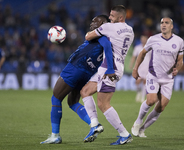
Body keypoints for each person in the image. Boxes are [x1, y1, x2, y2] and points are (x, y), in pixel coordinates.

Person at [40, 15, 115, 144]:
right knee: (72, 102)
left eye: (95, 21)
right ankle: (94, 124)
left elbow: (107, 46)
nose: (92, 23)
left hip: (75, 67)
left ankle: (55, 135)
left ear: (102, 23)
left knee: (56, 97)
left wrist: (111, 69)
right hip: (86, 72)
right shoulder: (100, 36)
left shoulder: (101, 35)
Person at [80, 5, 134, 145]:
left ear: (120, 17)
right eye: (109, 15)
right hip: (116, 65)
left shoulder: (110, 27)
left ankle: (124, 134)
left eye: (112, 16)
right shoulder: (130, 30)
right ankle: (94, 124)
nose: (109, 18)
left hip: (109, 69)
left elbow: (88, 36)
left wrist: (97, 31)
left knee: (103, 104)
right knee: (85, 91)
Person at [131, 17, 184, 138]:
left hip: (168, 79)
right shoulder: (153, 39)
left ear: (171, 26)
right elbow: (142, 53)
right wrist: (135, 69)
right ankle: (138, 122)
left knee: (161, 107)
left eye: (166, 23)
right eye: (162, 23)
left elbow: (180, 60)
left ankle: (142, 129)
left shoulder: (179, 41)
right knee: (151, 100)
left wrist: (178, 67)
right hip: (153, 76)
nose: (163, 25)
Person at [129, 35, 150, 103]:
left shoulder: (150, 48)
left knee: (145, 81)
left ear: (146, 39)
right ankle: (138, 93)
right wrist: (131, 64)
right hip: (139, 67)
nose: (143, 40)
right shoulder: (137, 47)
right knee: (137, 81)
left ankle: (142, 97)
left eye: (144, 39)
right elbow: (134, 57)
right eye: (142, 39)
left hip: (147, 67)